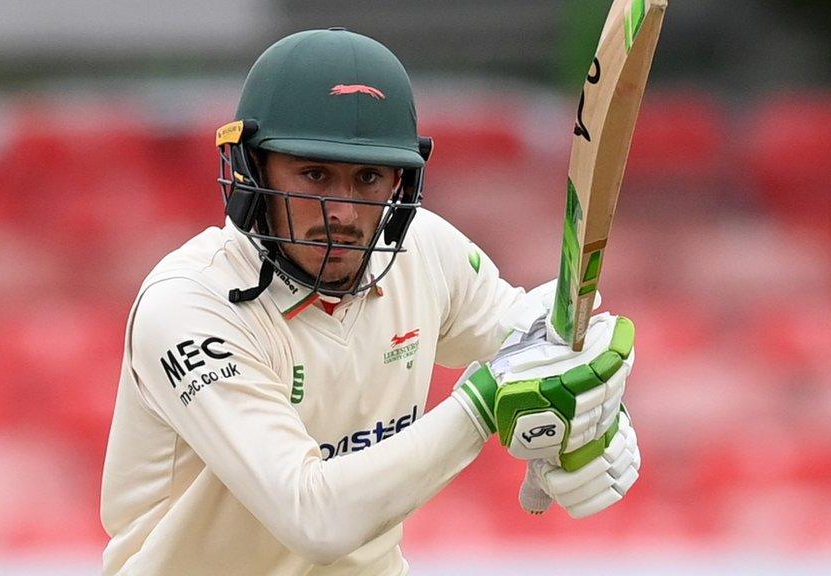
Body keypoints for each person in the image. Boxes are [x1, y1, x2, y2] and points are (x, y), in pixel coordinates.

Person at [100, 28, 641, 576]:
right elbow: (312, 518)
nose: (344, 212)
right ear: (250, 168)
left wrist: (593, 416)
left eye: (368, 177)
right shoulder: (189, 305)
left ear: (400, 182)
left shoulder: (422, 251)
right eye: (314, 174)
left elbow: (535, 342)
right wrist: (483, 405)